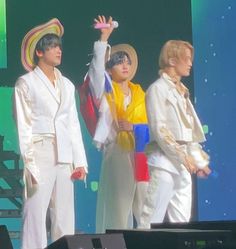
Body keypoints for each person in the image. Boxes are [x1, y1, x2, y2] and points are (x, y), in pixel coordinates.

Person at [14, 18, 88, 249]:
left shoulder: (66, 84)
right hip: (40, 150)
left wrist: (80, 161)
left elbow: (73, 124)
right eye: (52, 46)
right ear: (38, 52)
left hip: (64, 154)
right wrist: (30, 164)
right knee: (35, 212)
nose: (58, 50)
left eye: (59, 46)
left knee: (64, 214)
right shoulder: (25, 83)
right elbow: (23, 127)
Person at [84, 15, 149, 232]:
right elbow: (95, 73)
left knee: (144, 209)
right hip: (117, 152)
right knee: (119, 210)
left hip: (141, 152)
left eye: (127, 62)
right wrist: (104, 38)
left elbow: (153, 125)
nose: (124, 65)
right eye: (119, 61)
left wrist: (135, 127)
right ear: (109, 68)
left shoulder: (140, 94)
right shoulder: (106, 92)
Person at [138, 40, 211, 228]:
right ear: (171, 60)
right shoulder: (157, 89)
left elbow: (189, 132)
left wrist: (198, 161)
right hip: (163, 160)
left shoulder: (181, 92)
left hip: (183, 163)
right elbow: (160, 129)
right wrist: (182, 156)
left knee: (182, 219)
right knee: (153, 214)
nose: (190, 63)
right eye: (186, 59)